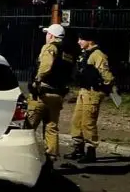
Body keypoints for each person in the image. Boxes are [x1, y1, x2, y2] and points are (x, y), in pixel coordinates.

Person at [65, 30, 117, 163]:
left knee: (88, 122)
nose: (78, 42)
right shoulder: (86, 53)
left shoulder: (98, 55)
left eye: (81, 39)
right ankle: (78, 148)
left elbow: (106, 75)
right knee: (77, 121)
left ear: (90, 40)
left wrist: (106, 88)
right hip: (84, 91)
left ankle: (90, 151)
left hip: (93, 92)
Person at [26, 24, 75, 163]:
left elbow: (46, 66)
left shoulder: (50, 47)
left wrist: (37, 80)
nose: (46, 36)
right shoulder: (68, 52)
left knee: (29, 126)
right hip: (58, 94)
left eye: (47, 34)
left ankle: (25, 157)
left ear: (52, 35)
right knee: (51, 126)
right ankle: (51, 158)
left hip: (43, 93)